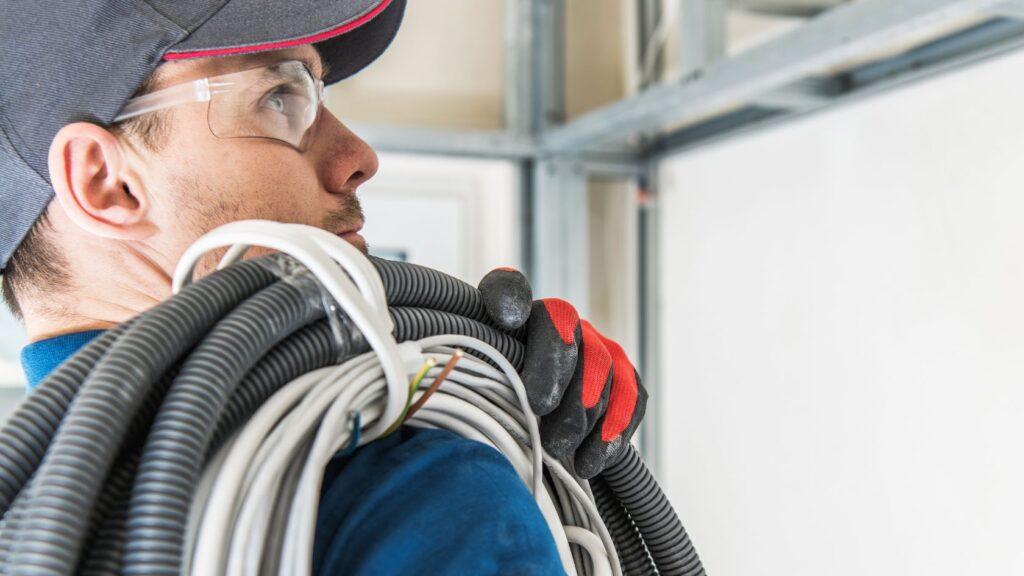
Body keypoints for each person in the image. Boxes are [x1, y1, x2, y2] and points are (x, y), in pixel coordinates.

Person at [0, 0, 647, 573]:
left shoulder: (21, 517)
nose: (359, 156)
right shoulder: (414, 497)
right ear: (106, 183)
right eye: (279, 97)